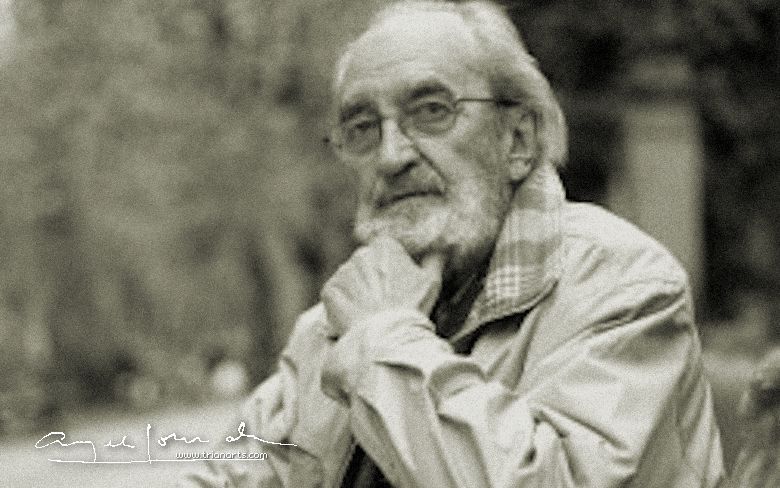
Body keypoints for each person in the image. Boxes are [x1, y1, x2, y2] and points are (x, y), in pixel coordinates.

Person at [183, 1, 724, 486]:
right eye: (363, 127)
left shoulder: (622, 285)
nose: (391, 156)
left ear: (517, 139)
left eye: (431, 111)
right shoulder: (329, 325)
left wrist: (382, 343)